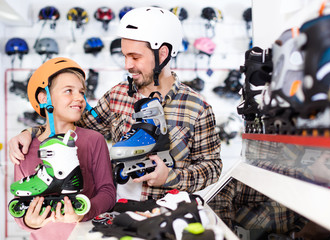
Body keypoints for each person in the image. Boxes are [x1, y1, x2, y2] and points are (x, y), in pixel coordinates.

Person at [9, 7, 222, 201]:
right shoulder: (117, 95)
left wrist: (171, 176)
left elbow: (212, 167)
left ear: (162, 53)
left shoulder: (197, 107)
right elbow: (74, 128)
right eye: (125, 56)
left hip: (169, 211)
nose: (128, 65)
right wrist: (32, 132)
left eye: (135, 57)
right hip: (118, 210)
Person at [11, 57, 116, 239]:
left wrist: (83, 213)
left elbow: (107, 192)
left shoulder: (93, 140)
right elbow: (18, 201)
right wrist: (29, 221)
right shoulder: (24, 146)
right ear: (44, 98)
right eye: (68, 91)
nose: (79, 98)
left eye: (81, 92)